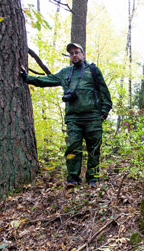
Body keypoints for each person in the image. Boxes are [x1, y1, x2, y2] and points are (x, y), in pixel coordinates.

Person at [20, 43, 112, 186]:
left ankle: (92, 178)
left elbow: (105, 92)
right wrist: (27, 78)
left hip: (93, 117)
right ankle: (73, 179)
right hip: (73, 118)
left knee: (94, 149)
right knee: (73, 148)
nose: (74, 55)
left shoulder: (93, 70)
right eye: (71, 53)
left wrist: (104, 111)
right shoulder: (65, 73)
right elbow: (47, 80)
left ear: (83, 54)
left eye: (77, 52)